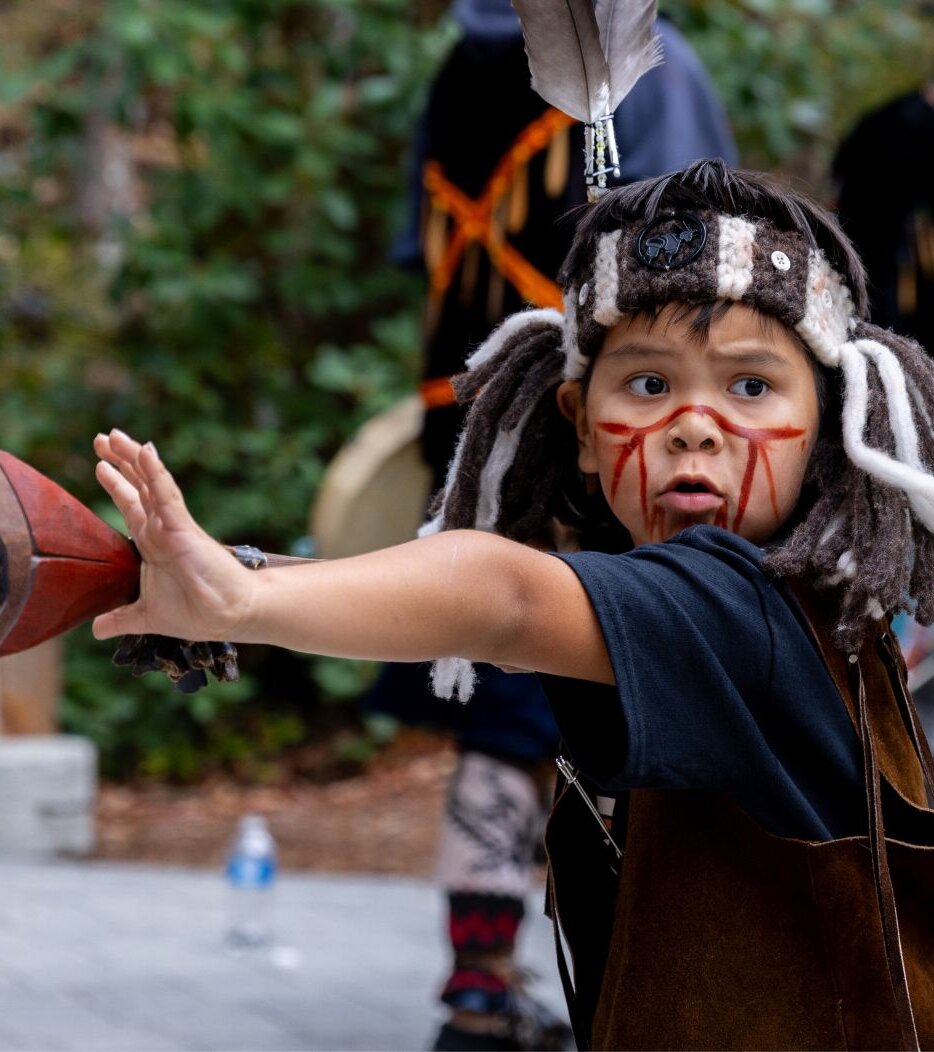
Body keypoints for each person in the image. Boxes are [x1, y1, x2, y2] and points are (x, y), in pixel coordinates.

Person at [92, 159, 934, 1049]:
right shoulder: (709, 605)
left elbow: (502, 597)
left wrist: (244, 598)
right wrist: (243, 580)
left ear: (832, 424)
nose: (695, 423)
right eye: (649, 384)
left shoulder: (744, 611)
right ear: (580, 425)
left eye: (751, 386)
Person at [379, 4, 736, 1043]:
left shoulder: (458, 69)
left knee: (502, 697)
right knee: (626, 685)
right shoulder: (656, 68)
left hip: (471, 415)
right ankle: (633, 988)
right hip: (608, 431)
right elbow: (700, 266)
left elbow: (418, 249)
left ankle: (479, 986)